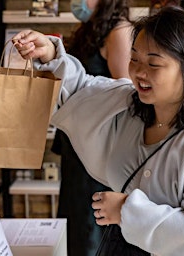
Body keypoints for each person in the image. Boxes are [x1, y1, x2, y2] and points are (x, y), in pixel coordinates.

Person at [13, 6, 184, 255]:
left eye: (154, 64)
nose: (139, 73)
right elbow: (82, 90)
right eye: (134, 59)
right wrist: (50, 54)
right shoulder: (126, 105)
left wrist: (127, 211)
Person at [52, 0, 133, 255]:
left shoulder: (119, 31)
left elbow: (126, 94)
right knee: (75, 222)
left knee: (91, 229)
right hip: (77, 145)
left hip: (97, 146)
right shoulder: (91, 27)